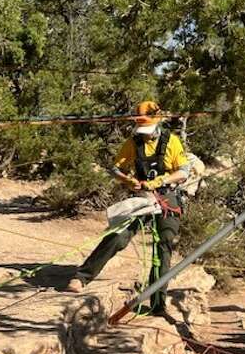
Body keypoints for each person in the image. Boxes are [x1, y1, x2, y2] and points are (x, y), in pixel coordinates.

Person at [65, 101, 191, 312]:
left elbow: (184, 172)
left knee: (164, 244)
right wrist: (127, 180)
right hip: (142, 197)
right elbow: (116, 168)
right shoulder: (133, 143)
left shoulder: (173, 142)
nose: (145, 134)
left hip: (167, 197)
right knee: (118, 236)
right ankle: (81, 278)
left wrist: (161, 181)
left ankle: (157, 302)